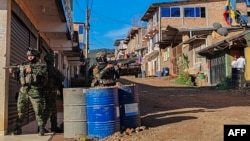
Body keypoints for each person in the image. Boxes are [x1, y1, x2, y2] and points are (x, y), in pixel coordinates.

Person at [9, 47, 47, 136]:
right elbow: (18, 77)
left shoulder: (41, 65)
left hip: (35, 90)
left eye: (32, 55)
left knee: (38, 110)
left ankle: (41, 128)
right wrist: (13, 72)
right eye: (29, 56)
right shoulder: (23, 64)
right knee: (21, 110)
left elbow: (43, 73)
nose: (30, 57)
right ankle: (18, 128)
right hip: (23, 90)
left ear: (36, 56)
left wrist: (32, 70)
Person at [43, 52, 65, 133]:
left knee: (53, 110)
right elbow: (62, 77)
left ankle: (54, 126)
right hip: (50, 92)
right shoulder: (52, 69)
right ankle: (41, 126)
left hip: (45, 92)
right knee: (48, 110)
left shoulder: (43, 68)